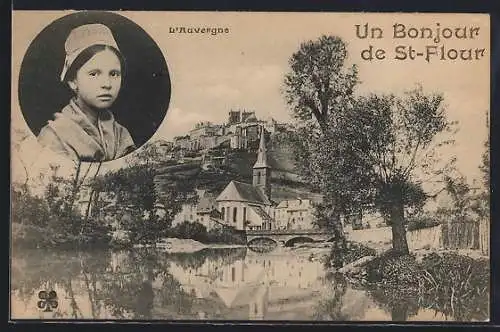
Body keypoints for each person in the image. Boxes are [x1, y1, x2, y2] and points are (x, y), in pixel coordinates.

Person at [37, 23, 136, 162]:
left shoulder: (122, 135)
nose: (107, 84)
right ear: (73, 81)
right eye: (94, 74)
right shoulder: (54, 136)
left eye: (114, 74)